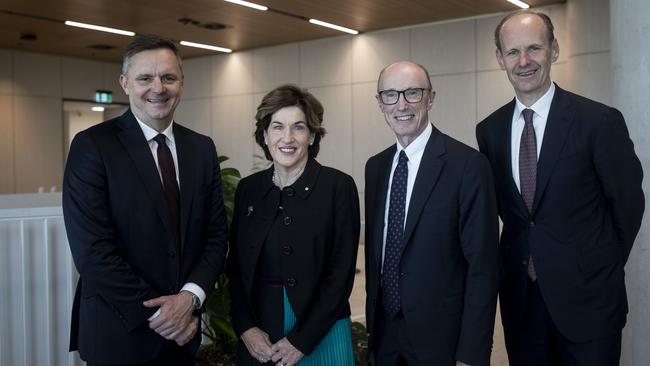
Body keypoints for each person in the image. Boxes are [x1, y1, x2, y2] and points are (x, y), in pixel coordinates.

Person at [476, 10, 644, 366]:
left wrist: (600, 266)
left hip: (590, 302)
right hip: (522, 303)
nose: (524, 61)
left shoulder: (598, 121)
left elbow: (628, 205)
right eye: (513, 52)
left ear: (553, 50)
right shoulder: (489, 131)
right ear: (499, 59)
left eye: (534, 49)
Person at [63, 34, 228, 365]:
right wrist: (165, 317)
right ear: (124, 83)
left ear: (181, 82)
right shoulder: (92, 146)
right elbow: (93, 252)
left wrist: (189, 299)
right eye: (145, 78)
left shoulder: (201, 148)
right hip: (120, 334)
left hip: (184, 336)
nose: (159, 87)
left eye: (168, 77)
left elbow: (215, 236)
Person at [364, 61, 499, 366]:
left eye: (412, 93)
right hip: (385, 337)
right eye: (390, 95)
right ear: (380, 103)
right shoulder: (376, 167)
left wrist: (472, 354)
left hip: (443, 340)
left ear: (431, 98)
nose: (401, 105)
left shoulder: (468, 165)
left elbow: (483, 268)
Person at [227, 84, 360, 366]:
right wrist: (245, 328)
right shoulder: (249, 189)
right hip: (258, 333)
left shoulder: (338, 187)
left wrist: (303, 340)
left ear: (312, 136)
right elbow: (236, 268)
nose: (287, 138)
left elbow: (341, 274)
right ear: (264, 135)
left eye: (298, 127)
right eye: (277, 127)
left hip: (321, 330)